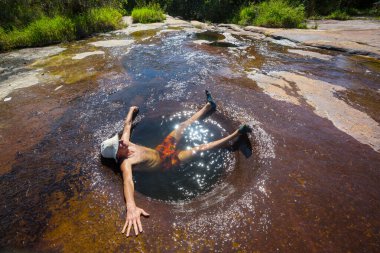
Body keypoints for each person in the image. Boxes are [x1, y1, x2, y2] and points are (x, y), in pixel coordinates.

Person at [100, 91, 251, 237]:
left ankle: (208, 106)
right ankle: (237, 134)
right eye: (118, 145)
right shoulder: (125, 163)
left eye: (118, 141)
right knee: (199, 148)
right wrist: (131, 208)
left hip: (161, 149)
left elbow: (127, 125)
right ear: (117, 155)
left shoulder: (125, 143)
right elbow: (128, 182)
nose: (121, 142)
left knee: (182, 125)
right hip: (167, 162)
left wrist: (131, 110)